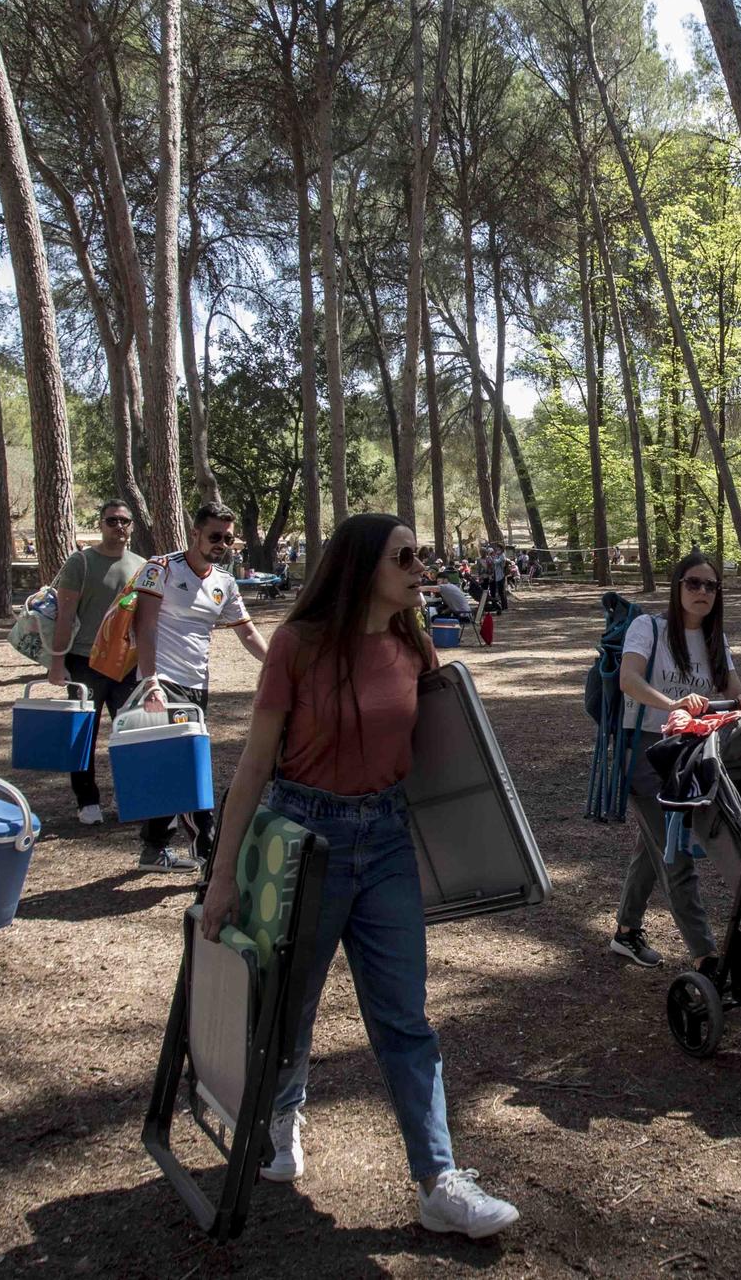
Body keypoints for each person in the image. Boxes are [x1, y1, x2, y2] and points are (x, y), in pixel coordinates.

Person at [203, 513, 519, 1238]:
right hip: (300, 841)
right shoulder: (297, 645)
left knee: (405, 1018)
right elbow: (255, 765)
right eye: (403, 556)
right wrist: (223, 874)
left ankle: (439, 1180)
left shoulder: (413, 644)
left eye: (420, 554)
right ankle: (282, 1120)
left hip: (383, 845)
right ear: (360, 569)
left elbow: (444, 760)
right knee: (290, 1005)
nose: (419, 566)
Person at [608, 553, 741, 971]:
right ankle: (706, 955)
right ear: (677, 587)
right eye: (694, 583)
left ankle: (625, 932)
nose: (703, 592)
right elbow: (629, 680)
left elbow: (733, 686)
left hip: (692, 752)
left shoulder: (715, 638)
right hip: (645, 749)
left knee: (654, 843)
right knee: (676, 854)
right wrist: (673, 703)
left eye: (711, 586)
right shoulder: (648, 628)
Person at [132, 502, 272, 872]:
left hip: (197, 684)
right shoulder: (160, 568)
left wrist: (279, 665)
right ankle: (207, 852)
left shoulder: (223, 582)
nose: (222, 544)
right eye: (215, 536)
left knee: (172, 768)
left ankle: (153, 848)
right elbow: (143, 627)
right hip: (162, 682)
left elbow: (246, 631)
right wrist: (150, 683)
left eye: (228, 538)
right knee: (189, 767)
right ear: (194, 533)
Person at [46, 501, 146, 826]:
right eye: (112, 520)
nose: (119, 526)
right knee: (84, 734)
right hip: (85, 661)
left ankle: (131, 794)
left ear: (132, 526)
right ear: (101, 524)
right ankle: (87, 800)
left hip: (126, 663)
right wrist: (57, 662)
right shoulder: (81, 563)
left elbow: (144, 620)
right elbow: (65, 616)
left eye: (124, 521)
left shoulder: (142, 566)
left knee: (130, 732)